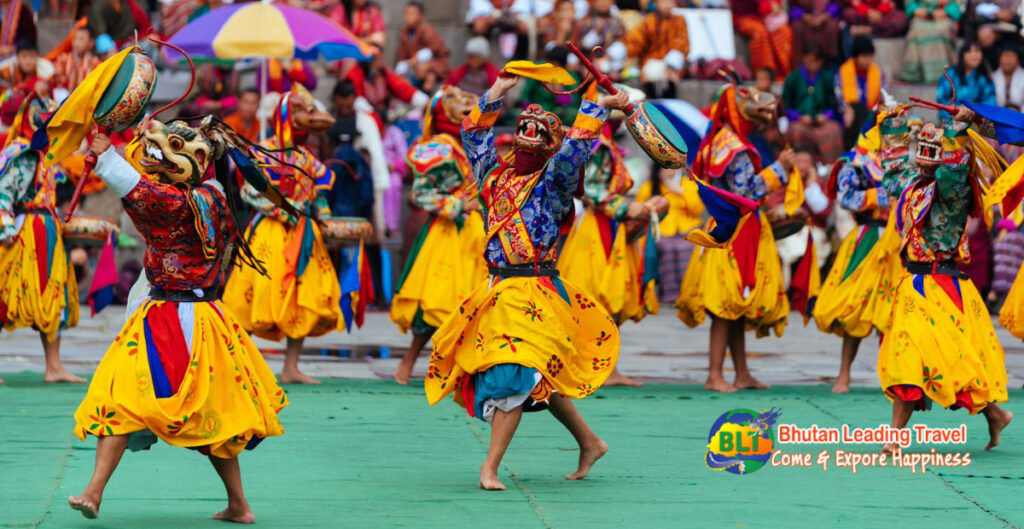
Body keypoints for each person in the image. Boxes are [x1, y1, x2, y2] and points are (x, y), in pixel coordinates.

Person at [66, 113, 289, 523]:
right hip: (171, 314)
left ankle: (238, 504)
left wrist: (108, 160)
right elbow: (149, 182)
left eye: (175, 147)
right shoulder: (210, 194)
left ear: (200, 158)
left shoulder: (192, 201)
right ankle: (93, 492)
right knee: (119, 399)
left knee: (211, 417)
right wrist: (125, 140)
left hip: (184, 320)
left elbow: (150, 198)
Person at [426, 73, 631, 491]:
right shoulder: (494, 179)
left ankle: (490, 466)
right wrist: (497, 93)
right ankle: (590, 442)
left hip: (535, 290)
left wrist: (600, 107)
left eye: (538, 136)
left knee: (514, 371)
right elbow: (475, 135)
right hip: (499, 291)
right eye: (523, 133)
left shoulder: (553, 185)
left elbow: (574, 151)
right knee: (534, 375)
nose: (527, 138)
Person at [877, 105, 1012, 453]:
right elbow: (892, 172)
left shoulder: (954, 192)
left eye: (931, 151)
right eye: (921, 151)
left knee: (953, 365)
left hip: (944, 287)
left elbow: (951, 174)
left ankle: (994, 414)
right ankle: (896, 436)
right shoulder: (912, 184)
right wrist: (892, 124)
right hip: (914, 287)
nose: (921, 158)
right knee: (909, 357)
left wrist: (956, 128)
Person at [676, 81, 795, 392]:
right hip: (735, 230)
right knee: (725, 305)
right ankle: (715, 374)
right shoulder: (733, 146)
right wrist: (778, 171)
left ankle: (741, 372)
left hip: (734, 226)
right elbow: (745, 191)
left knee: (736, 304)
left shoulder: (723, 140)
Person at [223, 84, 342, 385]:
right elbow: (250, 190)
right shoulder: (264, 151)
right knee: (255, 296)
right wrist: (285, 211)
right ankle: (234, 362)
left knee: (303, 296)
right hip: (270, 233)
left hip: (304, 235)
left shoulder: (307, 158)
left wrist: (325, 219)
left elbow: (319, 196)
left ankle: (291, 367)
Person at [557, 120, 667, 387]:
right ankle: (596, 367)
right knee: (600, 295)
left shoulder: (603, 143)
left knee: (605, 296)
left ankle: (603, 366)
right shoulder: (599, 145)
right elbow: (589, 190)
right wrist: (625, 209)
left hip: (605, 225)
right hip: (600, 227)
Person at [390, 85, 488, 385]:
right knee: (437, 302)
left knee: (475, 306)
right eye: (456, 102)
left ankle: (461, 370)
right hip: (448, 234)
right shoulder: (439, 147)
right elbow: (421, 194)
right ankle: (408, 363)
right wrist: (460, 204)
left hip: (473, 232)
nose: (466, 104)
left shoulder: (468, 144)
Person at [812, 111, 906, 393]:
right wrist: (879, 196)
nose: (896, 135)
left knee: (894, 311)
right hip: (868, 237)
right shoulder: (854, 162)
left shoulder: (901, 161)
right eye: (891, 129)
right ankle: (843, 375)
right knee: (856, 305)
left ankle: (894, 377)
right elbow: (845, 197)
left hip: (897, 239)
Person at [0, 89, 84, 384]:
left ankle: (54, 367)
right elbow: (3, 194)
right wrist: (5, 229)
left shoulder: (48, 155)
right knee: (5, 296)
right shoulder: (20, 154)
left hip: (48, 232)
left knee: (55, 296)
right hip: (24, 232)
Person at [635, 165, 704, 305]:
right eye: (665, 168)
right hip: (663, 230)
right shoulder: (649, 187)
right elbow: (640, 208)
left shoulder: (687, 185)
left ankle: (687, 293)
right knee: (667, 248)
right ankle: (670, 294)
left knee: (686, 248)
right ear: (658, 171)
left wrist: (681, 192)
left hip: (686, 228)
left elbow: (698, 208)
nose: (669, 171)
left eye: (672, 168)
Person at [782, 45, 845, 162]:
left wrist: (826, 116)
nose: (813, 64)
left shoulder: (827, 77)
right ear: (804, 58)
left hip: (821, 122)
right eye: (810, 60)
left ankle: (830, 167)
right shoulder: (793, 77)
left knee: (834, 130)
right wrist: (799, 117)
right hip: (800, 122)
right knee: (796, 132)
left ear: (821, 62)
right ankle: (801, 165)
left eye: (816, 61)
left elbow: (832, 104)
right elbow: (786, 105)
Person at [835, 36, 886, 148]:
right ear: (856, 57)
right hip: (850, 113)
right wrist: (846, 109)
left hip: (871, 113)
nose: (867, 60)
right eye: (864, 56)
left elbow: (883, 97)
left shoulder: (878, 73)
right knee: (857, 111)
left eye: (870, 56)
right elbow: (839, 97)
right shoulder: (843, 71)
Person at [622, 0, 689, 83]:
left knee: (671, 73)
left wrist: (671, 63)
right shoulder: (649, 20)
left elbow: (681, 43)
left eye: (670, 2)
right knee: (648, 73)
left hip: (671, 66)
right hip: (650, 62)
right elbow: (635, 40)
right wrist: (621, 49)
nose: (667, 5)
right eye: (663, 2)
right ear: (656, 3)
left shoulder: (679, 20)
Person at [900, 0, 961, 83]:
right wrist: (917, 10)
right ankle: (916, 73)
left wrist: (945, 12)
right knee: (917, 28)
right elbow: (909, 2)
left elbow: (959, 3)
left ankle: (946, 73)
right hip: (920, 17)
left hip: (945, 16)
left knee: (943, 28)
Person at [732, 0, 793, 81]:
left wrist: (774, 6)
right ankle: (764, 75)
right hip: (745, 16)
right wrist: (768, 7)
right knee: (761, 34)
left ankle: (783, 74)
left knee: (784, 32)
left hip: (766, 19)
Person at [936, 41, 996, 120]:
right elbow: (941, 99)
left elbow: (991, 100)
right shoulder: (951, 74)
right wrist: (958, 109)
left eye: (977, 51)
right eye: (969, 51)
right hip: (954, 117)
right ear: (962, 55)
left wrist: (974, 110)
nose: (974, 55)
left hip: (976, 119)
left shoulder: (984, 77)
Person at [397, 1, 450, 79]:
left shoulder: (427, 30)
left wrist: (418, 59)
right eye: (406, 13)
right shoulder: (405, 32)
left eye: (411, 14)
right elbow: (402, 55)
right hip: (413, 67)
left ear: (421, 15)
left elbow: (437, 50)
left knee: (428, 76)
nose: (407, 17)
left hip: (433, 65)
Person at [790, 0, 841, 68]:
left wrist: (825, 16)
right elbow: (793, 7)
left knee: (832, 27)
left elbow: (836, 5)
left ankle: (831, 67)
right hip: (804, 18)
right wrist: (805, 16)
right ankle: (800, 68)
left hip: (826, 17)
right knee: (797, 28)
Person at [52, 25, 101, 92]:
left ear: (91, 43)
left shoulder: (96, 63)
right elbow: (57, 81)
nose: (76, 42)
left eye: (81, 39)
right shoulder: (63, 58)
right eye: (75, 38)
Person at [841, 0, 907, 40]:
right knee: (847, 13)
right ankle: (875, 29)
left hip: (881, 17)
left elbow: (889, 4)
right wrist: (868, 11)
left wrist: (878, 12)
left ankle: (869, 30)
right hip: (863, 16)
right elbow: (855, 2)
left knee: (900, 17)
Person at [993, 43, 1024, 110]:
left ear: (1018, 60)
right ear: (999, 58)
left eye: (1012, 56)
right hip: (997, 115)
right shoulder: (992, 77)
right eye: (1005, 55)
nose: (1008, 60)